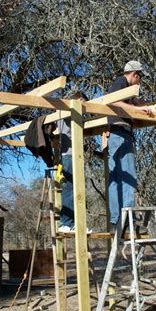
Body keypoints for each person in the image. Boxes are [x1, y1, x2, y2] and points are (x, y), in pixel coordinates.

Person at [107, 60, 152, 229]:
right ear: (134, 74)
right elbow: (113, 101)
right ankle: (128, 219)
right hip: (121, 133)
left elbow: (131, 102)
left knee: (116, 178)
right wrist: (137, 111)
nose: (140, 81)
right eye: (140, 77)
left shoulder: (124, 89)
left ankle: (116, 220)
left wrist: (140, 104)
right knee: (129, 178)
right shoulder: (120, 82)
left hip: (115, 134)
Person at [57, 92, 93, 234]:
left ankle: (74, 224)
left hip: (70, 154)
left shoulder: (64, 110)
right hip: (70, 155)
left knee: (74, 190)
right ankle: (66, 223)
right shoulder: (68, 109)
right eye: (83, 102)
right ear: (79, 99)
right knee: (70, 190)